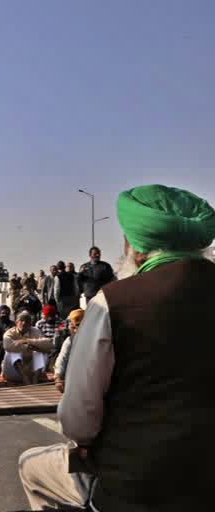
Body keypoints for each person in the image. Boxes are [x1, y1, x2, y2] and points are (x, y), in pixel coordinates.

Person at [19, 184, 215, 511]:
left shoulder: (113, 303)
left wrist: (85, 443)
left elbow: (78, 419)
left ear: (137, 250)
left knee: (32, 467)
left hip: (136, 486)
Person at [1, 311, 53, 385]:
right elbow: (7, 346)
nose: (24, 323)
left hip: (31, 372)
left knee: (40, 353)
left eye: (27, 321)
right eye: (21, 320)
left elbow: (49, 344)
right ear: (16, 322)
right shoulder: (9, 333)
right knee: (13, 352)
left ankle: (35, 379)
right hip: (13, 372)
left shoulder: (35, 331)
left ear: (30, 323)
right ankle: (25, 378)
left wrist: (27, 340)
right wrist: (27, 347)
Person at [53, 308, 84, 394]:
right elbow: (62, 359)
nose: (75, 330)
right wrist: (58, 378)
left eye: (78, 326)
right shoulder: (70, 340)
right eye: (73, 327)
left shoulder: (96, 339)